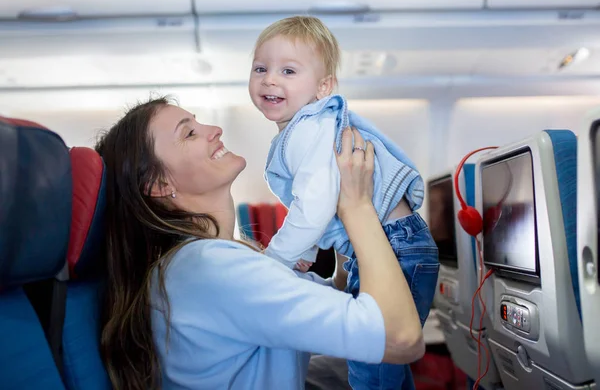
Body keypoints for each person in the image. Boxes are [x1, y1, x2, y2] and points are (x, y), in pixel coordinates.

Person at [96, 97, 426, 390]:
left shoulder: (192, 265)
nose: (214, 129)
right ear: (158, 183)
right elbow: (400, 338)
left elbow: (339, 298)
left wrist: (334, 217)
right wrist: (357, 207)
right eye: (190, 133)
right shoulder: (210, 269)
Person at [248, 16, 440, 389]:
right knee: (383, 368)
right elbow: (325, 198)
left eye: (288, 70)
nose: (270, 78)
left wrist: (277, 259)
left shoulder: (308, 128)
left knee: (373, 365)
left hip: (393, 245)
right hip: (395, 242)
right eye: (261, 68)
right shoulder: (308, 126)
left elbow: (316, 205)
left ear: (323, 87)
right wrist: (312, 247)